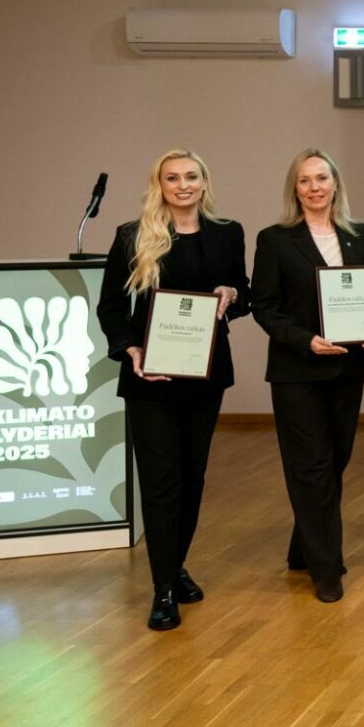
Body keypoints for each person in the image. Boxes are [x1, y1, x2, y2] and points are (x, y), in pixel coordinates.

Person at [97, 148, 248, 631]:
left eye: (190, 176)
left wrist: (232, 294)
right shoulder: (132, 235)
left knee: (192, 478)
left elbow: (240, 291)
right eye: (172, 178)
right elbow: (110, 307)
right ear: (158, 185)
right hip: (151, 379)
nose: (182, 185)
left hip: (205, 375)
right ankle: (163, 588)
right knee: (161, 482)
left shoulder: (228, 233)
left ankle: (175, 564)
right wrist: (129, 349)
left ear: (204, 182)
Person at [252, 148, 364, 603]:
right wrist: (305, 340)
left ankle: (303, 548)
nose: (314, 187)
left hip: (348, 367)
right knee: (311, 466)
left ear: (335, 183)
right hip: (297, 370)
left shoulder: (359, 235)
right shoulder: (275, 240)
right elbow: (264, 307)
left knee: (336, 459)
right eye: (305, 180)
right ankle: (327, 567)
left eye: (322, 178)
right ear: (295, 188)